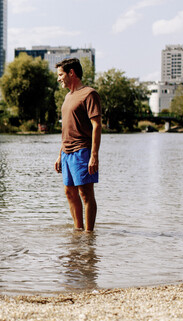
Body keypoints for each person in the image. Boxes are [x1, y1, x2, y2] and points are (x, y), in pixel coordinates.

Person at [54, 58, 102, 232]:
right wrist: (60, 154)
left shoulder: (89, 94)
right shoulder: (67, 97)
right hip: (66, 153)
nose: (59, 78)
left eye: (61, 74)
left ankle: (89, 235)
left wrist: (93, 156)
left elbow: (97, 125)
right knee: (70, 193)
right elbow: (66, 128)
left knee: (85, 194)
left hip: (82, 151)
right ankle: (78, 231)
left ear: (71, 73)